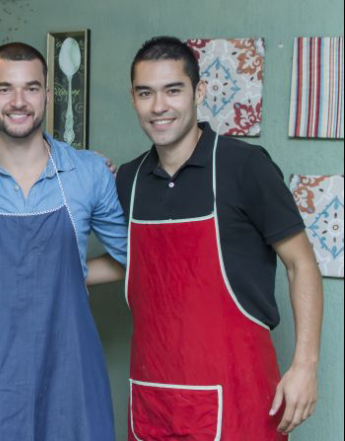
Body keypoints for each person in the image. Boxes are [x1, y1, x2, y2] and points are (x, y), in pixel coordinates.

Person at [88, 36, 323, 439]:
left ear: (198, 92)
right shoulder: (128, 179)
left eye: (172, 90)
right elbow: (139, 260)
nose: (159, 106)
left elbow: (301, 264)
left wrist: (304, 366)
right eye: (146, 93)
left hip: (239, 399)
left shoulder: (244, 167)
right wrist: (63, 271)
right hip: (154, 403)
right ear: (133, 99)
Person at [0, 43, 128, 441]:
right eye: (5, 89)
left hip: (70, 373)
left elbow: (138, 257)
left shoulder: (88, 172)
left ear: (48, 97)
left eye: (31, 88)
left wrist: (73, 274)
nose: (18, 102)